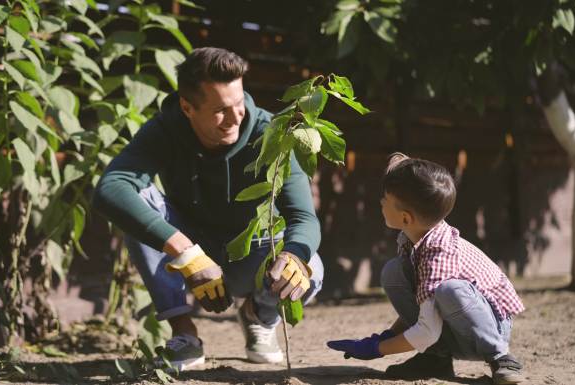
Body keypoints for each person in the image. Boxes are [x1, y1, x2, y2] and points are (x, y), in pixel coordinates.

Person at [93, 47, 324, 371]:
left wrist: (293, 256)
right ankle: (185, 334)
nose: (234, 117)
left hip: (254, 260)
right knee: (139, 198)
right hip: (190, 262)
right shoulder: (166, 130)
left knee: (309, 263)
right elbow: (110, 189)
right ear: (187, 107)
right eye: (220, 110)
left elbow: (303, 216)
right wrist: (188, 254)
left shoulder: (271, 133)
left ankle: (259, 315)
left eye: (239, 104)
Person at [327, 153, 525, 385]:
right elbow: (424, 305)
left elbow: (427, 331)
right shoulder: (410, 239)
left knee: (450, 290)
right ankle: (436, 358)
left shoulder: (440, 253)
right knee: (394, 272)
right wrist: (390, 334)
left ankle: (501, 357)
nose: (380, 201)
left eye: (386, 199)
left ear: (405, 218)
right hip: (453, 326)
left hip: (488, 328)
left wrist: (377, 348)